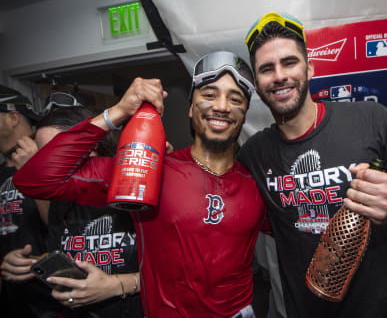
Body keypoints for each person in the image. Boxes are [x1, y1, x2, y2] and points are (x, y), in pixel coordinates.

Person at [14, 51, 266, 318]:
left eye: (235, 99)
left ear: (245, 113)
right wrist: (117, 113)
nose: (222, 106)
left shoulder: (256, 184)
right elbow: (35, 181)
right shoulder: (149, 172)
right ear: (191, 108)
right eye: (209, 95)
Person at [237, 12, 387, 317]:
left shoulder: (371, 119)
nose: (279, 76)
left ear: (309, 69)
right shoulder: (254, 154)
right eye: (267, 69)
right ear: (257, 85)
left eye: (289, 62)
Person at [31, 105, 143, 317]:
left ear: (90, 146)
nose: (48, 163)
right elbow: (68, 255)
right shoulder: (60, 201)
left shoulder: (133, 190)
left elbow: (175, 274)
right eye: (42, 155)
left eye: (56, 152)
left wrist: (116, 285)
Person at [0, 85, 59, 317]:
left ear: (13, 117)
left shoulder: (52, 161)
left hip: (53, 301)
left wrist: (33, 171)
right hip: (13, 302)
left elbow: (63, 228)